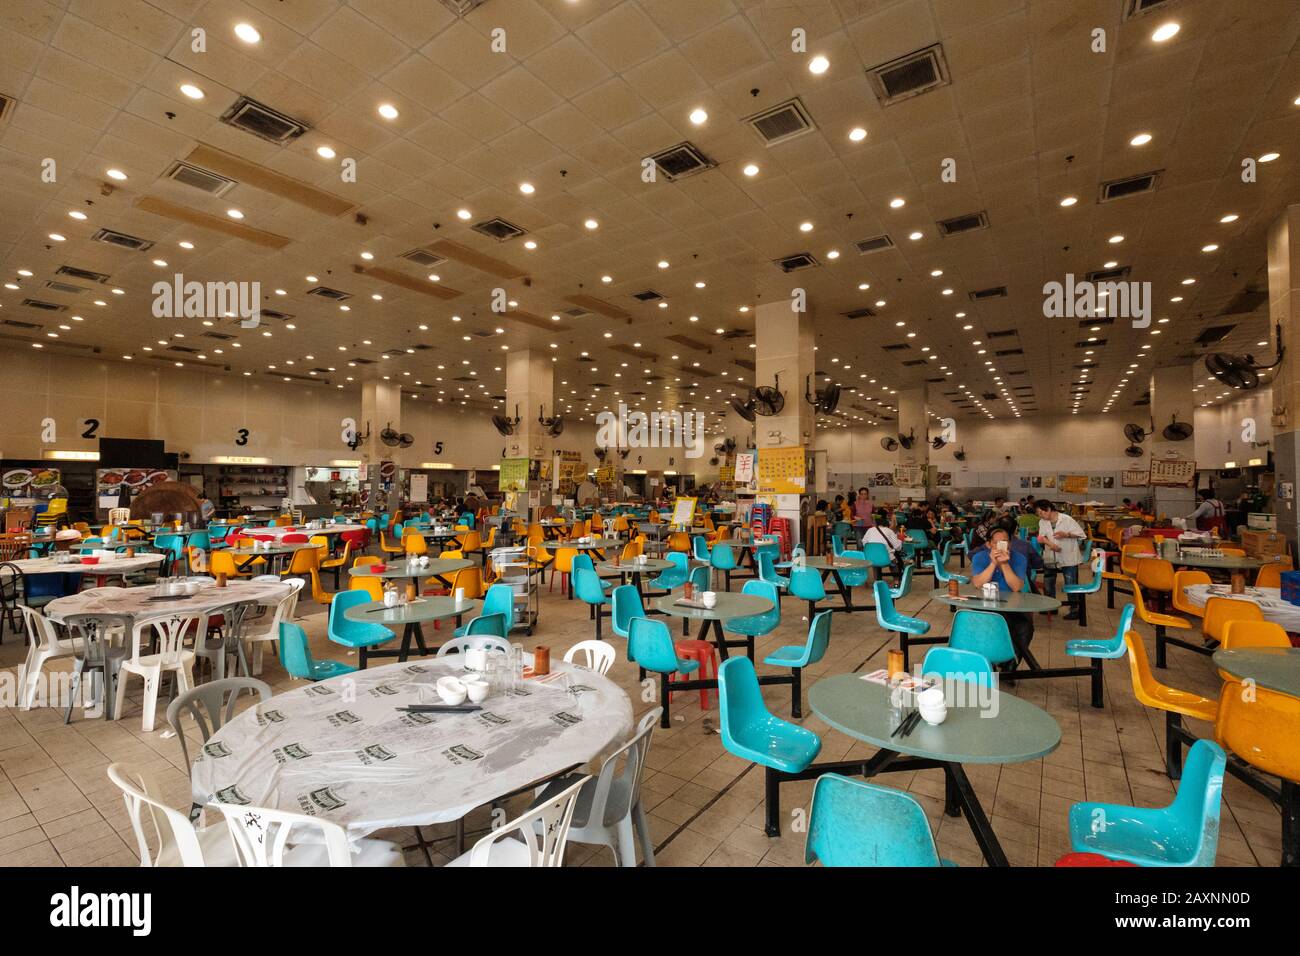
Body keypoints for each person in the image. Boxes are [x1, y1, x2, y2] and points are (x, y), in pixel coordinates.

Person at [970, 526, 1034, 662]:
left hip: (1012, 604)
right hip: (984, 603)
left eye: (1004, 542)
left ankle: (1011, 663)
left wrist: (1004, 564)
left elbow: (1016, 587)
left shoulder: (1019, 558)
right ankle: (989, 659)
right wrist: (993, 563)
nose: (1000, 546)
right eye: (996, 543)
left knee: (1026, 627)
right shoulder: (979, 557)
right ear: (988, 544)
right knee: (993, 624)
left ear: (1010, 544)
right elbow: (978, 583)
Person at [1035, 500, 1085, 620]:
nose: (1040, 516)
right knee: (1049, 582)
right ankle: (1051, 607)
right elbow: (1041, 537)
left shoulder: (1067, 519)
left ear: (1048, 509)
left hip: (1068, 556)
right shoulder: (1042, 522)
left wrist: (1066, 535)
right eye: (1039, 514)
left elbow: (1082, 534)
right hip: (1051, 556)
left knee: (1070, 583)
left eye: (1041, 513)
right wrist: (1050, 544)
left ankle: (1074, 609)